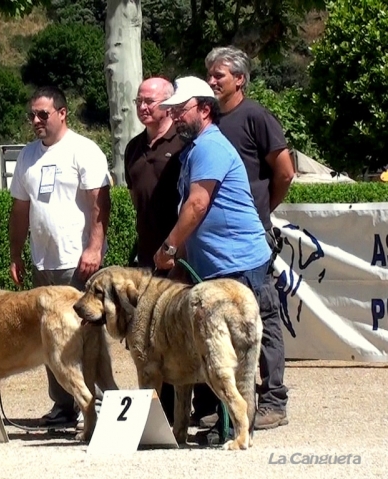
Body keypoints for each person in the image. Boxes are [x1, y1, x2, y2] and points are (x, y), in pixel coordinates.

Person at [152, 76, 272, 442]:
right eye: (170, 111)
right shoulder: (195, 150)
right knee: (216, 348)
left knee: (237, 349)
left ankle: (242, 427)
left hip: (238, 262)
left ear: (204, 109)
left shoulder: (210, 147)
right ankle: (226, 425)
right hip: (216, 266)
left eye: (180, 111)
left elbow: (198, 204)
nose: (174, 118)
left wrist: (169, 248)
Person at [196, 46, 295, 431]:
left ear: (240, 79)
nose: (212, 80)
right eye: (209, 74)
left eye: (219, 74)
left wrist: (261, 212)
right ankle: (225, 402)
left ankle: (273, 400)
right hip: (214, 247)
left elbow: (284, 172)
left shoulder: (255, 116)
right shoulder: (207, 122)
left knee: (263, 318)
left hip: (251, 243)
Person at [8, 85, 111, 429]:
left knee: (86, 334)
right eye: (32, 115)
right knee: (50, 336)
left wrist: (94, 248)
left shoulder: (84, 150)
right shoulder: (27, 156)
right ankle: (63, 407)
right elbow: (20, 209)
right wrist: (15, 253)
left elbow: (100, 202)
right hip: (43, 263)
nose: (36, 121)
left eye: (43, 114)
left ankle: (102, 402)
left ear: (62, 113)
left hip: (77, 261)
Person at [124, 77, 184, 424]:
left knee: (186, 331)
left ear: (168, 104)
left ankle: (205, 411)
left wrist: (178, 246)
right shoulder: (133, 147)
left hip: (183, 254)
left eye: (151, 101)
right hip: (148, 257)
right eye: (139, 101)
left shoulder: (184, 142)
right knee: (153, 334)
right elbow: (136, 198)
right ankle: (163, 412)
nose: (144, 107)